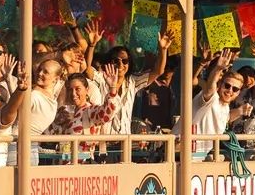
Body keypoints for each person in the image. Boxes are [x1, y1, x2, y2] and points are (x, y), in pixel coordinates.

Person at [89, 31, 173, 161]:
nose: (121, 64)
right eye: (116, 60)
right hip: (103, 143)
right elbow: (87, 68)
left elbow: (158, 71)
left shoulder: (133, 81)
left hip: (125, 143)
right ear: (109, 62)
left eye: (125, 61)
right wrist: (92, 45)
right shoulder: (101, 78)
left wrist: (163, 50)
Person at [0, 57, 63, 165]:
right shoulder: (53, 101)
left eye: (46, 72)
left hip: (16, 151)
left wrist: (10, 80)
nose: (40, 73)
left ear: (55, 79)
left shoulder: (35, 96)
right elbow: (20, 104)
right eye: (39, 69)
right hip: (32, 153)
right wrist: (9, 79)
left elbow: (13, 109)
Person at [189, 48, 241, 159]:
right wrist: (217, 68)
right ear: (220, 83)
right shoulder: (211, 96)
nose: (230, 90)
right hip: (180, 156)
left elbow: (224, 117)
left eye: (235, 89)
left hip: (198, 159)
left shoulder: (225, 107)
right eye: (227, 86)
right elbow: (198, 83)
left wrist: (241, 111)